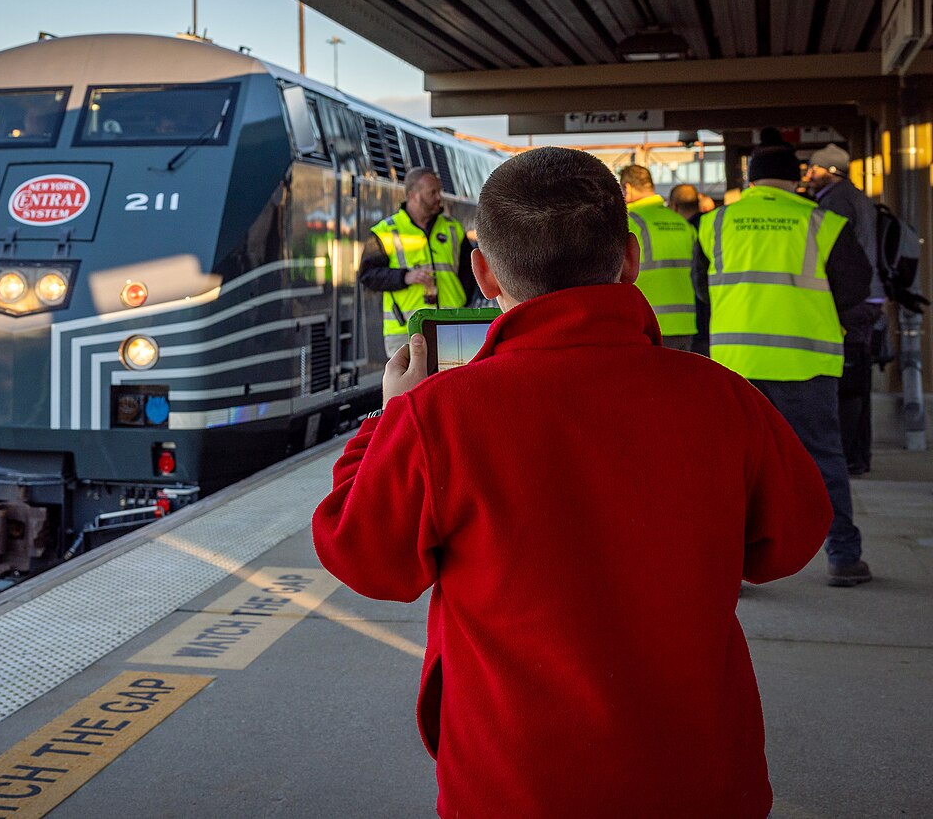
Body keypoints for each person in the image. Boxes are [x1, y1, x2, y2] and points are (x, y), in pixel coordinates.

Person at [313, 147, 831, 818]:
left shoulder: (435, 416)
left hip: (514, 788)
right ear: (630, 258)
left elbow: (365, 555)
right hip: (703, 782)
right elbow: (788, 543)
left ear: (484, 273)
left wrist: (387, 417)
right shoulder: (725, 399)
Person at [695, 142, 874, 586]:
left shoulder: (713, 222)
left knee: (733, 468)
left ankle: (732, 566)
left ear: (750, 180)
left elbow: (701, 290)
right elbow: (855, 289)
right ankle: (844, 557)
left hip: (737, 363)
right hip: (806, 363)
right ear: (795, 178)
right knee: (824, 459)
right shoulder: (824, 223)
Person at [805, 143, 885, 474]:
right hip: (868, 299)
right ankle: (859, 456)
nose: (809, 175)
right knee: (858, 383)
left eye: (814, 169)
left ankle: (851, 455)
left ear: (830, 171)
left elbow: (842, 262)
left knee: (849, 387)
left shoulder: (836, 203)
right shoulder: (857, 197)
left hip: (854, 303)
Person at [362, 167, 475, 356]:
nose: (439, 197)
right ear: (413, 195)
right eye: (433, 192)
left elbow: (469, 272)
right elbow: (368, 276)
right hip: (405, 331)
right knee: (412, 385)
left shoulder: (452, 228)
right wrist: (405, 277)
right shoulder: (385, 231)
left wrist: (462, 303)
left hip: (451, 327)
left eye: (439, 191)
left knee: (450, 384)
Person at [620, 165, 698, 349]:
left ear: (628, 188)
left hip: (648, 325)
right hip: (686, 324)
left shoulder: (628, 222)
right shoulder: (682, 223)